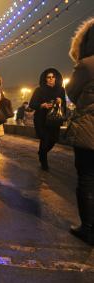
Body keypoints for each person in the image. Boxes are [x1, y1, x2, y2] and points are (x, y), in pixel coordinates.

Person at [66, 17, 94, 245]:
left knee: (86, 179)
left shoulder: (87, 65)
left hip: (89, 130)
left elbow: (72, 92)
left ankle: (88, 229)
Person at [29, 68, 66, 171]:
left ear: (56, 78)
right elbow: (32, 104)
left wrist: (60, 101)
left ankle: (41, 153)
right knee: (45, 140)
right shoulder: (39, 90)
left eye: (53, 77)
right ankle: (44, 163)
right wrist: (42, 105)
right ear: (45, 79)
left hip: (55, 120)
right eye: (48, 77)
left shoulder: (61, 90)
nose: (50, 79)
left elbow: (64, 106)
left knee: (53, 140)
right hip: (41, 120)